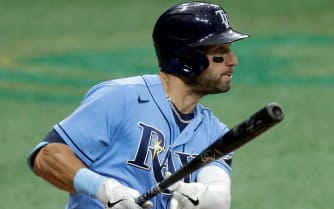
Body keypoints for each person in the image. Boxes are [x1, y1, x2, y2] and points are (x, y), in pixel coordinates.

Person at [27, 2, 249, 209]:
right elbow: (47, 157)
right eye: (220, 52)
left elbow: (219, 192)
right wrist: (104, 190)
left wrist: (204, 198)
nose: (233, 60)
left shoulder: (214, 132)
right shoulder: (119, 98)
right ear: (187, 56)